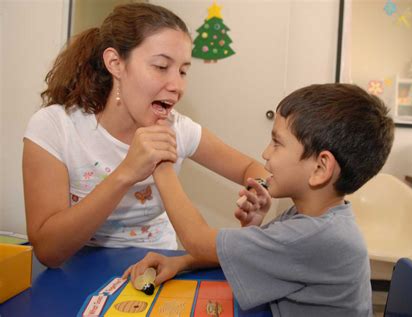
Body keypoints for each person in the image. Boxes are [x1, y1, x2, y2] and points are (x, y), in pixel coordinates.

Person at [22, 3, 269, 268]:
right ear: (115, 63)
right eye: (162, 67)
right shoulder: (55, 127)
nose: (177, 86)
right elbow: (47, 251)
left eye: (183, 71)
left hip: (158, 263)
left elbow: (251, 168)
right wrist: (126, 172)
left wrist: (258, 192)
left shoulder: (179, 129)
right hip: (77, 267)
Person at [124, 83, 395, 316]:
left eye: (277, 143)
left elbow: (196, 238)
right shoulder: (314, 217)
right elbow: (254, 255)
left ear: (321, 168)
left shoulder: (317, 236)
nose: (265, 154)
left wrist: (160, 165)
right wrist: (181, 262)